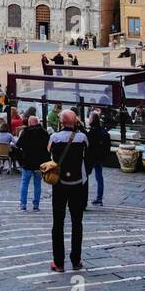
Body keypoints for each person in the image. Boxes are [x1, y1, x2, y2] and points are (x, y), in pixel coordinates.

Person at [47, 110, 90, 272]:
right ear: (76, 121)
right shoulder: (82, 138)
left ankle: (58, 262)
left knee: (58, 222)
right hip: (77, 183)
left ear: (61, 122)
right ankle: (76, 260)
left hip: (60, 184)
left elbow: (48, 150)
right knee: (77, 223)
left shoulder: (54, 138)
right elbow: (89, 152)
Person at [16, 116, 49, 211]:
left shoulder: (26, 132)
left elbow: (18, 145)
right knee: (37, 184)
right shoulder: (44, 132)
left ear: (29, 123)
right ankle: (36, 205)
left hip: (27, 162)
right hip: (39, 163)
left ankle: (23, 204)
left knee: (24, 183)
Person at [86, 110, 112, 206]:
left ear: (92, 119)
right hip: (100, 158)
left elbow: (88, 142)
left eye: (90, 117)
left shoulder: (93, 131)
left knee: (86, 177)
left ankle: (85, 197)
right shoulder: (102, 130)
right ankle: (99, 198)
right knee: (99, 177)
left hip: (92, 157)